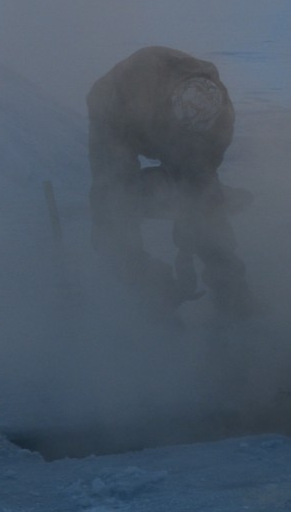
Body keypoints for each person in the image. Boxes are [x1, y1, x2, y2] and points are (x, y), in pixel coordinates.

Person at [87, 46, 251, 316]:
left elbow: (201, 181)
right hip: (118, 118)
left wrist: (185, 249)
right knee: (113, 201)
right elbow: (112, 184)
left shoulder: (220, 118)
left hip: (167, 125)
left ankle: (232, 291)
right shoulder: (130, 93)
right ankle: (148, 288)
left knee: (206, 202)